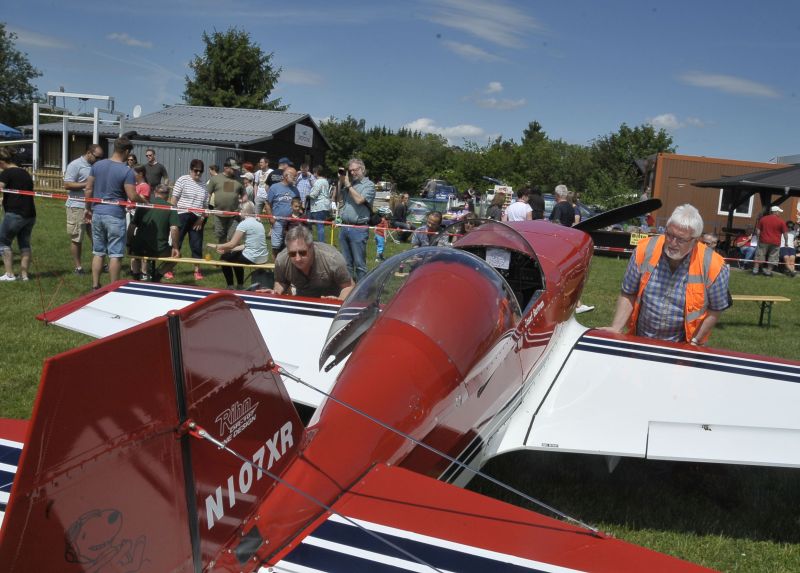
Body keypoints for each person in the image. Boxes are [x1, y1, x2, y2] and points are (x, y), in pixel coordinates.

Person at [602, 204, 730, 345]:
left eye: (681, 239)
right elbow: (628, 292)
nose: (672, 243)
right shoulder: (644, 250)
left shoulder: (714, 265)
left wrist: (695, 341)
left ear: (695, 240)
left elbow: (716, 309)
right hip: (641, 339)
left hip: (684, 346)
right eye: (669, 235)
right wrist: (616, 328)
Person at [84, 137, 145, 289]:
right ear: (126, 151)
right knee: (115, 254)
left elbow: (88, 189)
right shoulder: (126, 171)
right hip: (115, 216)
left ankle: (95, 285)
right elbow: (132, 196)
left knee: (98, 252)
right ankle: (113, 288)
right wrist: (143, 200)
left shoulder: (97, 165)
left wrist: (88, 208)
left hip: (97, 212)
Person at [264, 225, 354, 299]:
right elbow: (281, 281)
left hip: (332, 301)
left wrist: (338, 301)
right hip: (303, 302)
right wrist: (275, 293)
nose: (297, 258)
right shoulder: (281, 260)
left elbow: (349, 286)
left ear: (312, 247)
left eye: (302, 253)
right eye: (292, 254)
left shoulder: (333, 259)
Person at [210, 201, 269, 290]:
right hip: (263, 257)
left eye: (240, 210)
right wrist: (230, 250)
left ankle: (230, 286)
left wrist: (218, 246)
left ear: (244, 211)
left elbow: (232, 243)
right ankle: (240, 285)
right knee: (235, 255)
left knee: (224, 258)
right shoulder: (259, 223)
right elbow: (245, 245)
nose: (239, 212)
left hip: (253, 258)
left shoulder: (243, 223)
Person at [63, 144, 103, 275]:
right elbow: (67, 184)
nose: (98, 160)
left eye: (100, 158)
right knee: (77, 237)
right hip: (77, 206)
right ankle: (78, 267)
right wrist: (87, 184)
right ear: (89, 153)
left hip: (93, 207)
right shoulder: (75, 165)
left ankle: (102, 263)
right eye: (96, 157)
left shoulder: (96, 166)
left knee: (97, 237)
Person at [129, 184, 180, 281]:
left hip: (139, 247)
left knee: (136, 255)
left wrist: (129, 244)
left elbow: (131, 227)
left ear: (155, 193)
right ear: (168, 195)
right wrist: (176, 247)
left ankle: (135, 276)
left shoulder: (143, 205)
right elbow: (174, 229)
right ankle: (158, 275)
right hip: (159, 249)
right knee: (177, 257)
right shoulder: (171, 208)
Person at [0, 147, 36, 281]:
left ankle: (9, 274)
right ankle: (24, 275)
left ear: (1, 162)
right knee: (24, 244)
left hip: (14, 214)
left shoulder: (6, 173)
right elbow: (21, 191)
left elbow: (1, 186)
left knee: (3, 242)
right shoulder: (25, 173)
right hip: (30, 214)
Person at [171, 159, 209, 281]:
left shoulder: (204, 185)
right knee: (177, 242)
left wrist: (201, 219)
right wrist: (173, 217)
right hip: (181, 215)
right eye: (195, 171)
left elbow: (206, 206)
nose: (198, 173)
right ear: (190, 169)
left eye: (200, 171)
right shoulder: (182, 180)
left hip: (197, 219)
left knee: (196, 245)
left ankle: (197, 270)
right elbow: (174, 200)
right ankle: (169, 268)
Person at [338, 158, 375, 281]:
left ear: (362, 169)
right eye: (350, 171)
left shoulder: (369, 185)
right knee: (346, 263)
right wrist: (340, 181)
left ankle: (361, 292)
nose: (352, 173)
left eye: (355, 170)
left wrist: (348, 185)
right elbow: (337, 199)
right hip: (344, 226)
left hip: (358, 228)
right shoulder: (350, 184)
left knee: (359, 264)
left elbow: (359, 200)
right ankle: (348, 289)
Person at [264, 165, 300, 258]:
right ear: (286, 175)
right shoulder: (274, 187)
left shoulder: (295, 189)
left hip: (292, 222)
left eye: (296, 176)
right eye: (294, 176)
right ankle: (276, 267)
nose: (295, 178)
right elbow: (267, 204)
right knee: (276, 246)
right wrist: (271, 218)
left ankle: (288, 266)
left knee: (291, 245)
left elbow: (298, 204)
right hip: (278, 221)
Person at [207, 158, 245, 245]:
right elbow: (207, 194)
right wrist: (206, 207)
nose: (235, 170)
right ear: (226, 168)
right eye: (233, 169)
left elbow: (244, 195)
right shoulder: (215, 179)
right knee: (220, 236)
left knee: (232, 237)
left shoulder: (239, 180)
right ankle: (222, 256)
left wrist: (243, 202)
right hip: (219, 214)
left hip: (234, 214)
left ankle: (231, 255)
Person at [752, 206, 788, 277]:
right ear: (775, 212)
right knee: (773, 257)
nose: (779, 213)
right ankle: (768, 272)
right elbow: (785, 234)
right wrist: (786, 242)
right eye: (779, 212)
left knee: (759, 255)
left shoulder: (763, 219)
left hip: (763, 241)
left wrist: (758, 239)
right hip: (775, 242)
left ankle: (755, 271)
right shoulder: (781, 221)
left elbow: (758, 231)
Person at [307, 165, 331, 242]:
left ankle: (321, 243)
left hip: (318, 206)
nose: (314, 174)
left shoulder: (318, 182)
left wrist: (308, 196)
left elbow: (314, 194)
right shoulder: (326, 181)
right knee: (320, 225)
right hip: (325, 206)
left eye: (314, 173)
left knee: (319, 226)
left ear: (316, 173)